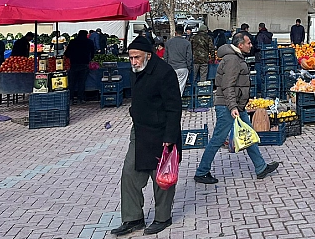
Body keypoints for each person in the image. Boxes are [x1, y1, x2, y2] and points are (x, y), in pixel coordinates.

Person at [110, 36, 182, 237]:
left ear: (148, 56)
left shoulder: (165, 73)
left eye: (137, 57)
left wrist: (170, 136)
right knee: (130, 174)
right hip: (140, 132)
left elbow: (174, 107)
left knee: (162, 177)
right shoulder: (136, 71)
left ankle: (162, 217)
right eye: (131, 58)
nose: (133, 61)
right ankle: (133, 218)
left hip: (162, 132)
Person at [193, 33, 280, 184]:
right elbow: (227, 85)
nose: (251, 45)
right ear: (240, 45)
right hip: (228, 106)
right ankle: (201, 172)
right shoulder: (233, 59)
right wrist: (233, 106)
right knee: (218, 139)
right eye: (248, 43)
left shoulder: (236, 57)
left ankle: (260, 167)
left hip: (236, 105)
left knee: (248, 134)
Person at [64, 30, 95, 105]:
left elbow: (66, 53)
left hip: (74, 64)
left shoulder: (73, 42)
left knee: (72, 82)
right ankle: (80, 99)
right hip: (84, 64)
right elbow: (93, 53)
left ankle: (71, 99)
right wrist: (89, 59)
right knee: (82, 82)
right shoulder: (89, 42)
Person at [164, 25, 193, 95]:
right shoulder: (187, 43)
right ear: (183, 32)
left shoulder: (168, 43)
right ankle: (176, 102)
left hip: (171, 68)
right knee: (180, 88)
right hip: (183, 68)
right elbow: (189, 57)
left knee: (171, 86)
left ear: (175, 32)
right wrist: (189, 67)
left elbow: (165, 57)